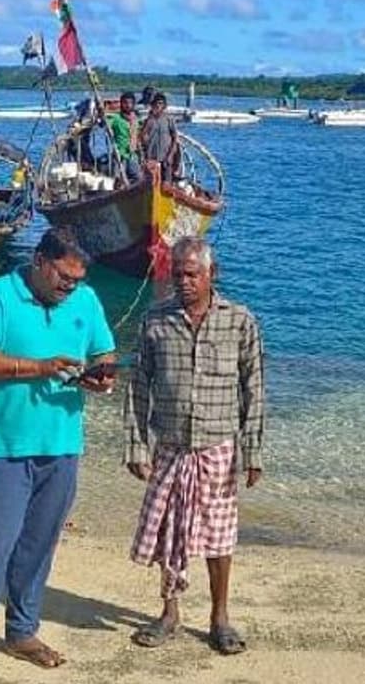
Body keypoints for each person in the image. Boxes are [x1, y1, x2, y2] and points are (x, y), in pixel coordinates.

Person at [0, 227, 117, 683]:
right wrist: (38, 368)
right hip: (2, 448)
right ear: (40, 260)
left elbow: (104, 350)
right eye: (64, 276)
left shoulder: (85, 300)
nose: (70, 287)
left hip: (62, 446)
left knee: (39, 545)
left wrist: (102, 375)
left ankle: (22, 631)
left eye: (77, 280)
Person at [123, 237, 265, 656]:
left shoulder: (239, 321)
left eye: (192, 274)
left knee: (220, 537)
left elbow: (254, 388)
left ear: (211, 274)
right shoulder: (155, 320)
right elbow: (138, 386)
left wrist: (253, 452)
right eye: (177, 274)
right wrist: (136, 446)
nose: (183, 282)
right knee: (170, 531)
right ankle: (169, 613)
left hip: (218, 447)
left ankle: (220, 617)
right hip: (170, 445)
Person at [139, 92, 179, 182]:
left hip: (165, 156)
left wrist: (170, 155)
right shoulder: (148, 120)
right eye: (156, 103)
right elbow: (142, 136)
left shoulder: (169, 120)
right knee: (152, 182)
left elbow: (174, 138)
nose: (158, 106)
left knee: (166, 182)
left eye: (160, 103)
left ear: (164, 106)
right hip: (152, 158)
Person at [107, 91, 141, 182]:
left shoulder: (136, 119)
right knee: (118, 179)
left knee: (138, 178)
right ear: (121, 104)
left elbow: (140, 134)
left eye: (130, 103)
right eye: (125, 103)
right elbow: (105, 124)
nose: (128, 105)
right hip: (120, 154)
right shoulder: (116, 118)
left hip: (132, 155)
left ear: (133, 104)